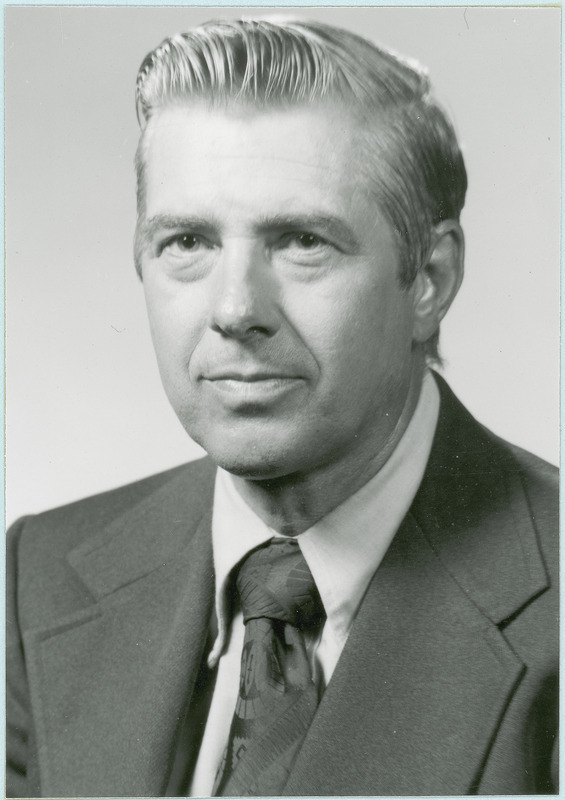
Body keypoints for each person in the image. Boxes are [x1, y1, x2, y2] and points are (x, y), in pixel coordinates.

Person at [6, 18, 557, 798]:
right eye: (187, 241)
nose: (234, 309)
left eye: (302, 240)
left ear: (428, 279)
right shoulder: (39, 577)